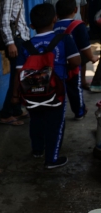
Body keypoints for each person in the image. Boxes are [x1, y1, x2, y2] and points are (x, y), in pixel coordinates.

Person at [13, 3, 81, 168]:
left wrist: (15, 96)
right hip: (55, 90)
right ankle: (52, 159)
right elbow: (75, 62)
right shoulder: (64, 39)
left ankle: (37, 150)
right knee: (55, 124)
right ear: (55, 19)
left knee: (36, 120)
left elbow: (18, 72)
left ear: (32, 25)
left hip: (31, 91)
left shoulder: (26, 46)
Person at [54, 0, 99, 119]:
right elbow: (85, 46)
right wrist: (92, 57)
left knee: (57, 87)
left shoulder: (53, 26)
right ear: (75, 10)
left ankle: (57, 111)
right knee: (75, 88)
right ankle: (79, 111)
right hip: (72, 64)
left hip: (56, 63)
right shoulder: (78, 25)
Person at [0, 0, 31, 126]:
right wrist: (10, 43)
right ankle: (6, 114)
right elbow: (4, 22)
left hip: (21, 39)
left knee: (20, 76)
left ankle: (16, 110)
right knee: (15, 78)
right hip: (16, 40)